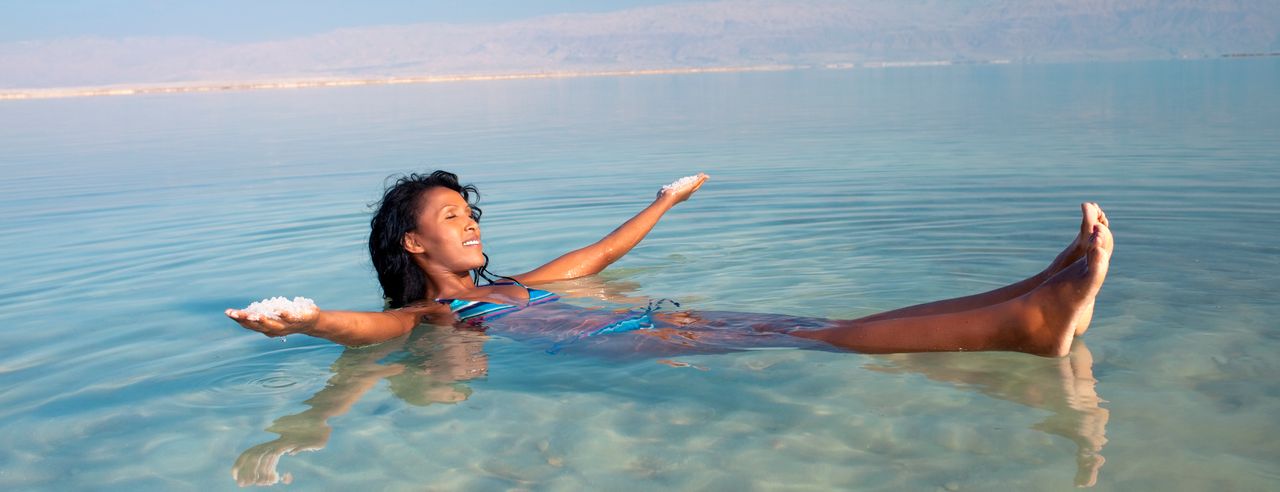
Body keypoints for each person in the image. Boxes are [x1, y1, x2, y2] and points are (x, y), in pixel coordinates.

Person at [226, 171, 1113, 357]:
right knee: (820, 336)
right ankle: (1027, 323)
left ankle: (1037, 290)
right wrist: (305, 320)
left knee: (807, 329)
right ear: (414, 245)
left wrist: (663, 200)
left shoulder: (511, 286)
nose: (468, 225)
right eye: (449, 218)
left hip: (646, 320)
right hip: (620, 343)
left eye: (468, 213)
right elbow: (368, 326)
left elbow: (603, 252)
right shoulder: (437, 315)